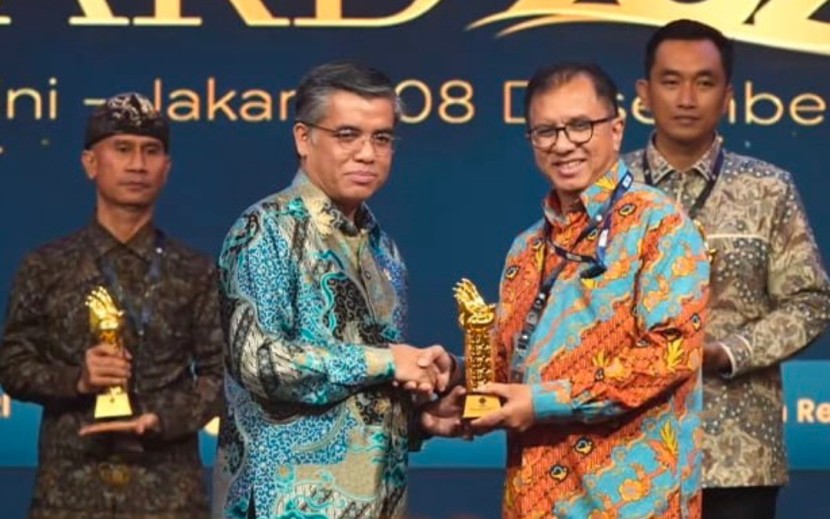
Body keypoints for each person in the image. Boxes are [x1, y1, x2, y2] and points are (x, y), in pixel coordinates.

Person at [212, 61, 459, 519]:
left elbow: (358, 399)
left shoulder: (384, 250)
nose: (367, 153)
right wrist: (387, 360)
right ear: (303, 139)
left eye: (382, 138)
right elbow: (260, 362)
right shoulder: (266, 229)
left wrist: (419, 418)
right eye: (348, 135)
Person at [462, 62, 710, 518]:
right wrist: (455, 382)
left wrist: (542, 402)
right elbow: (509, 368)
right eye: (546, 131)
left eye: (580, 126)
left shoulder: (661, 225)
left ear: (616, 129)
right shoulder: (526, 249)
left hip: (627, 504)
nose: (563, 144)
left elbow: (669, 355)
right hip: (531, 502)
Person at [623, 19, 830, 519]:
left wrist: (728, 352)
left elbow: (811, 302)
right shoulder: (610, 188)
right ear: (644, 93)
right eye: (671, 81)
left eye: (704, 82)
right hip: (625, 453)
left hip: (739, 458)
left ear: (728, 96)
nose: (686, 98)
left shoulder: (769, 189)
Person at [0, 92, 224, 519]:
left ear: (167, 168)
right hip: (69, 495)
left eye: (150, 151)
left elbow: (221, 376)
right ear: (90, 163)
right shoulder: (46, 266)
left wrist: (161, 418)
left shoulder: (197, 271)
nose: (137, 164)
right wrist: (77, 380)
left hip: (168, 497)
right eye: (122, 149)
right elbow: (13, 364)